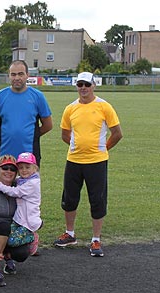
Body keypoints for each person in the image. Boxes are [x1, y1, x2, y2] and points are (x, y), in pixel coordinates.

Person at [54, 72, 123, 257]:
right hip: (74, 161)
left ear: (93, 85)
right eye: (79, 84)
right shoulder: (70, 108)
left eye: (86, 84)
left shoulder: (104, 106)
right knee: (69, 198)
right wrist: (77, 146)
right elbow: (64, 134)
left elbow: (117, 133)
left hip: (97, 162)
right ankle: (70, 234)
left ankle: (96, 239)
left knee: (97, 199)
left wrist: (102, 149)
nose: (83, 88)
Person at [0, 155, 33, 287]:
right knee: (3, 226)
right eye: (5, 168)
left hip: (12, 232)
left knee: (22, 254)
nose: (9, 171)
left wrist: (33, 230)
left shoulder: (20, 191)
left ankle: (7, 256)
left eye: (13, 169)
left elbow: (30, 212)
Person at [0, 60, 53, 165]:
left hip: (30, 156)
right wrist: (8, 134)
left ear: (27, 75)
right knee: (5, 181)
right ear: (9, 76)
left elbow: (48, 125)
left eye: (20, 74)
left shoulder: (37, 96)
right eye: (13, 74)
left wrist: (31, 135)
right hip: (5, 155)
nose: (17, 78)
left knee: (29, 181)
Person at [0, 152, 42, 258]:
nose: (24, 170)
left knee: (11, 241)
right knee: (6, 236)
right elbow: (17, 181)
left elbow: (16, 192)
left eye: (27, 167)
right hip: (20, 218)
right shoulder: (24, 179)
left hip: (28, 222)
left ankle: (32, 237)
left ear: (34, 168)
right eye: (21, 168)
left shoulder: (33, 183)